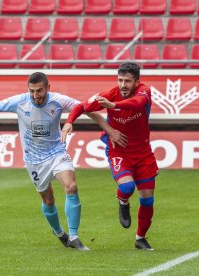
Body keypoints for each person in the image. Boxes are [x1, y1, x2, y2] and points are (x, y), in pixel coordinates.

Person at [0, 72, 120, 251]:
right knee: (49, 201)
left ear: (48, 87)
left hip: (56, 153)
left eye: (39, 91)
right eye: (32, 91)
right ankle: (60, 233)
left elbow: (86, 109)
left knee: (71, 187)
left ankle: (74, 236)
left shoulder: (58, 101)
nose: (36, 96)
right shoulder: (20, 101)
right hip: (34, 160)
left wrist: (109, 130)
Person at [62, 62, 158, 250]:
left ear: (137, 81)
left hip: (143, 153)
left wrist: (114, 106)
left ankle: (140, 238)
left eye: (128, 81)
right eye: (120, 80)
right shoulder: (108, 94)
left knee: (147, 199)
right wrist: (69, 122)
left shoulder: (144, 92)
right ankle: (123, 201)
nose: (123, 85)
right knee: (128, 186)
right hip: (119, 150)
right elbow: (82, 106)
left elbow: (136, 104)